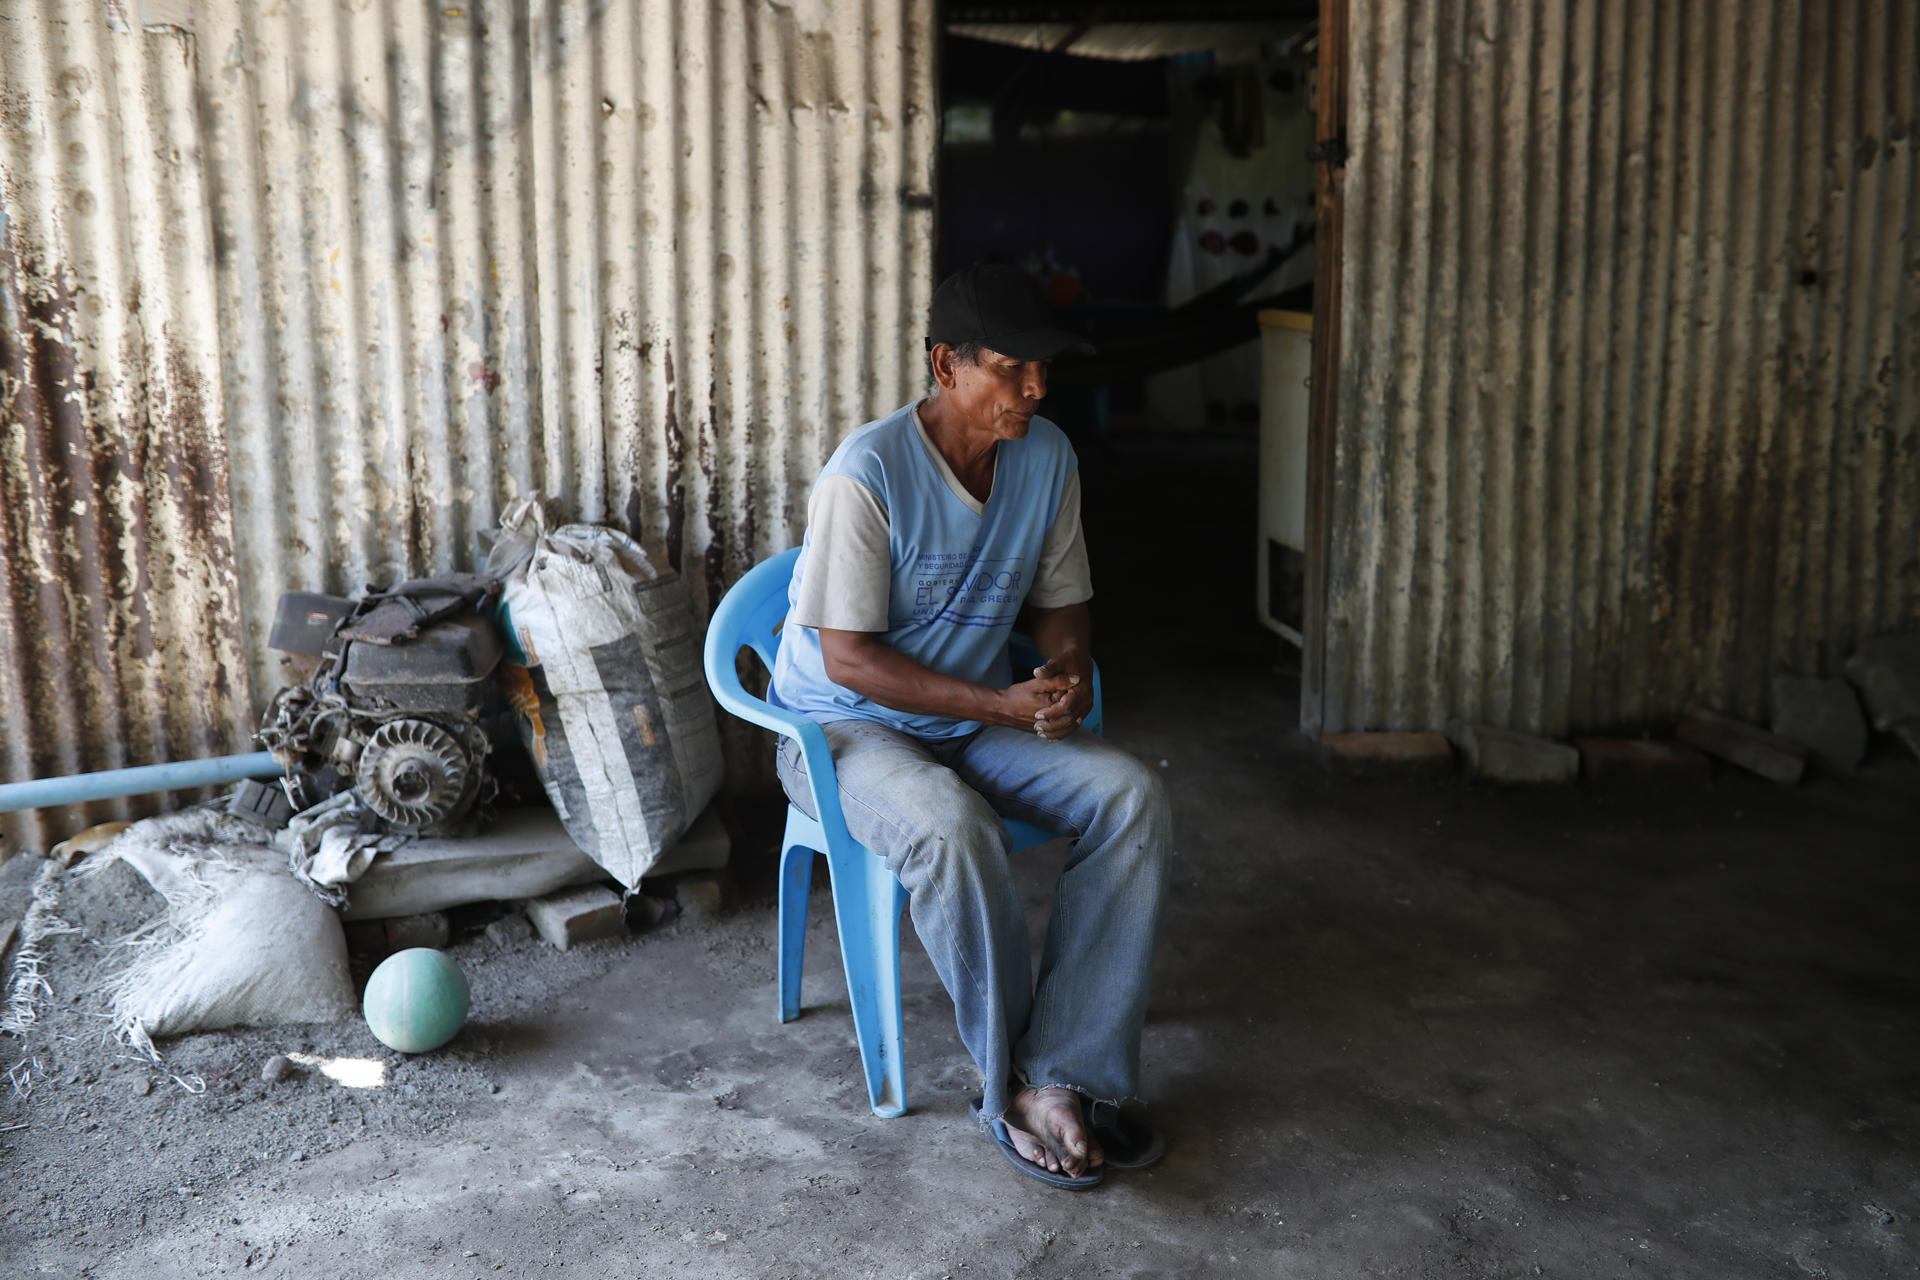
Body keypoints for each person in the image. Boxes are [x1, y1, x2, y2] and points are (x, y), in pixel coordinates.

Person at [768, 262, 1173, 1189]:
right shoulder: (866, 475)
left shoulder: (1047, 457)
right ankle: (1006, 1091)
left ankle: (1060, 1071)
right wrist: (997, 703)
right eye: (1013, 369)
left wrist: (1064, 672)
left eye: (1045, 369)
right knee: (952, 828)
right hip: (839, 734)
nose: (1037, 389)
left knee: (1131, 796)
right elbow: (848, 661)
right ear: (947, 366)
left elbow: (1064, 603)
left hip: (965, 713)